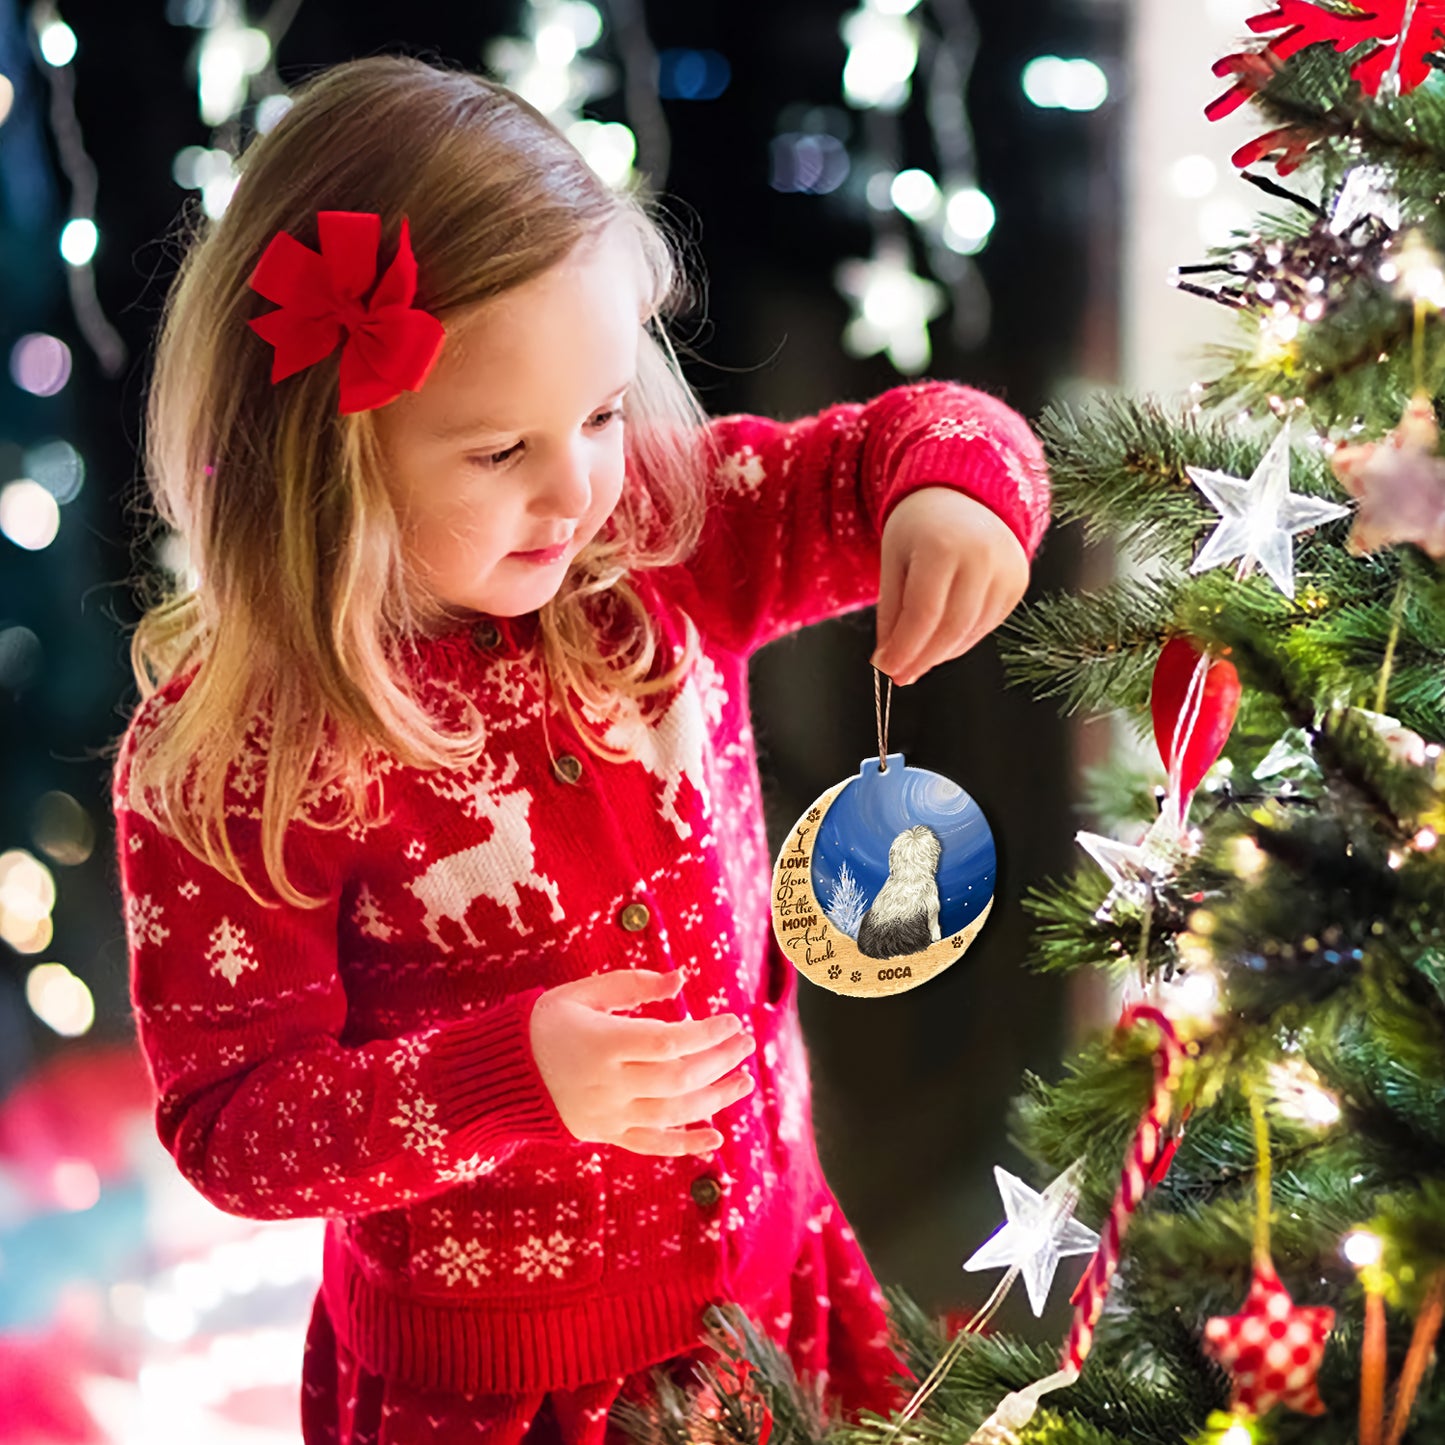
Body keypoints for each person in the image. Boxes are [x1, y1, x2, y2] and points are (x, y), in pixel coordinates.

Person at [110, 54, 1051, 1445]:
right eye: (499, 452)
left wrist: (956, 496)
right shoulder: (235, 754)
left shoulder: (660, 541)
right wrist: (509, 1075)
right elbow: (233, 1127)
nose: (577, 487)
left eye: (604, 412)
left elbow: (902, 444)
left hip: (767, 1285)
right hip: (501, 1389)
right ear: (321, 455)